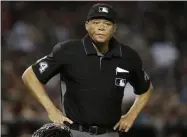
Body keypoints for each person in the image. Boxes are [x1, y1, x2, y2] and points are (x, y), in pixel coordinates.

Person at [22, 3, 153, 137]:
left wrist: (131, 115)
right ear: (87, 25)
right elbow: (30, 76)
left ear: (115, 28)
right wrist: (51, 109)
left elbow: (146, 88)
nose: (101, 27)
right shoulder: (68, 50)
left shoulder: (127, 56)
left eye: (107, 24)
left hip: (110, 133)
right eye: (96, 22)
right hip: (74, 132)